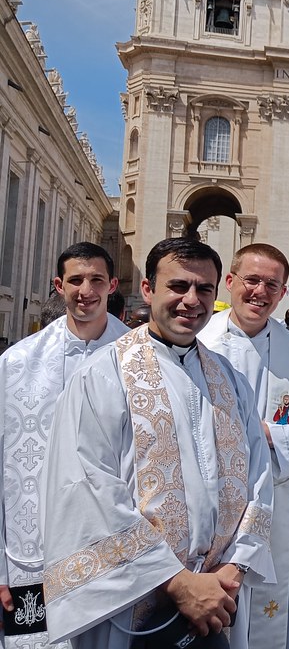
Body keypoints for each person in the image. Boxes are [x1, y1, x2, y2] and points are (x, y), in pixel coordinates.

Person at [42, 238, 274, 646]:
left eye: (204, 289)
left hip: (218, 595)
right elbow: (87, 487)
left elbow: (258, 478)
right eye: (178, 286)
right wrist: (177, 582)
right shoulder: (103, 375)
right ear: (148, 290)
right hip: (133, 597)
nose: (191, 300)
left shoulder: (229, 379)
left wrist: (235, 569)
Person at [198, 243, 289, 649]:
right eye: (252, 280)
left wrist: (267, 434)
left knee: (272, 624)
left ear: (282, 292)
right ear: (230, 282)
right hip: (210, 505)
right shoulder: (199, 341)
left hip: (276, 507)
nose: (260, 292)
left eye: (271, 285)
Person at [0, 243, 127, 647]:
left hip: (116, 550)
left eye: (96, 280)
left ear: (112, 285)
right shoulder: (17, 363)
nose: (85, 290)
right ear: (59, 285)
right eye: (75, 280)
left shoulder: (140, 358)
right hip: (30, 552)